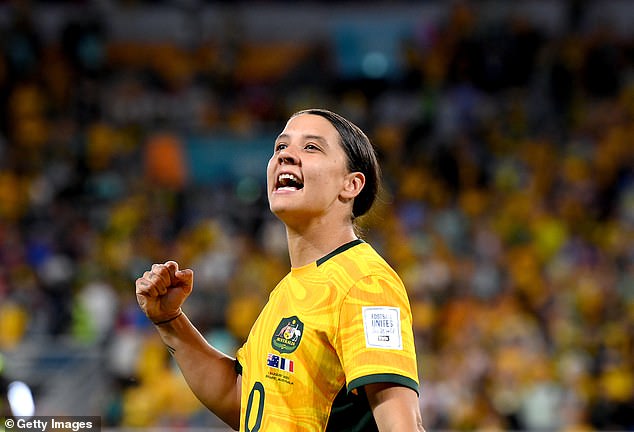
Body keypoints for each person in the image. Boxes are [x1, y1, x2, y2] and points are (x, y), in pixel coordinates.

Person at [135, 108, 425, 431]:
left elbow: (402, 425)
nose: (286, 155)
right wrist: (170, 320)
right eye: (281, 147)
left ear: (351, 184)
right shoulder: (289, 289)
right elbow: (240, 398)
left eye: (311, 147)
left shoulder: (364, 282)